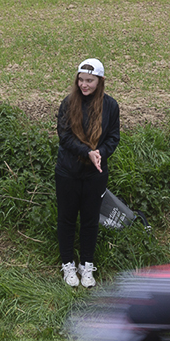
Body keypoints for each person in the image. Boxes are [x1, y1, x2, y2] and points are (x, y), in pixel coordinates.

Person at [55, 58, 120, 288]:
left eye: (90, 81)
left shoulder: (111, 106)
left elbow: (114, 137)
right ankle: (68, 264)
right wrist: (87, 152)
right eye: (81, 80)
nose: (84, 85)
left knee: (90, 219)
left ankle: (87, 264)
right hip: (68, 172)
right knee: (67, 218)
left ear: (101, 81)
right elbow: (64, 136)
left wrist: (101, 152)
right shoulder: (68, 103)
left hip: (96, 174)